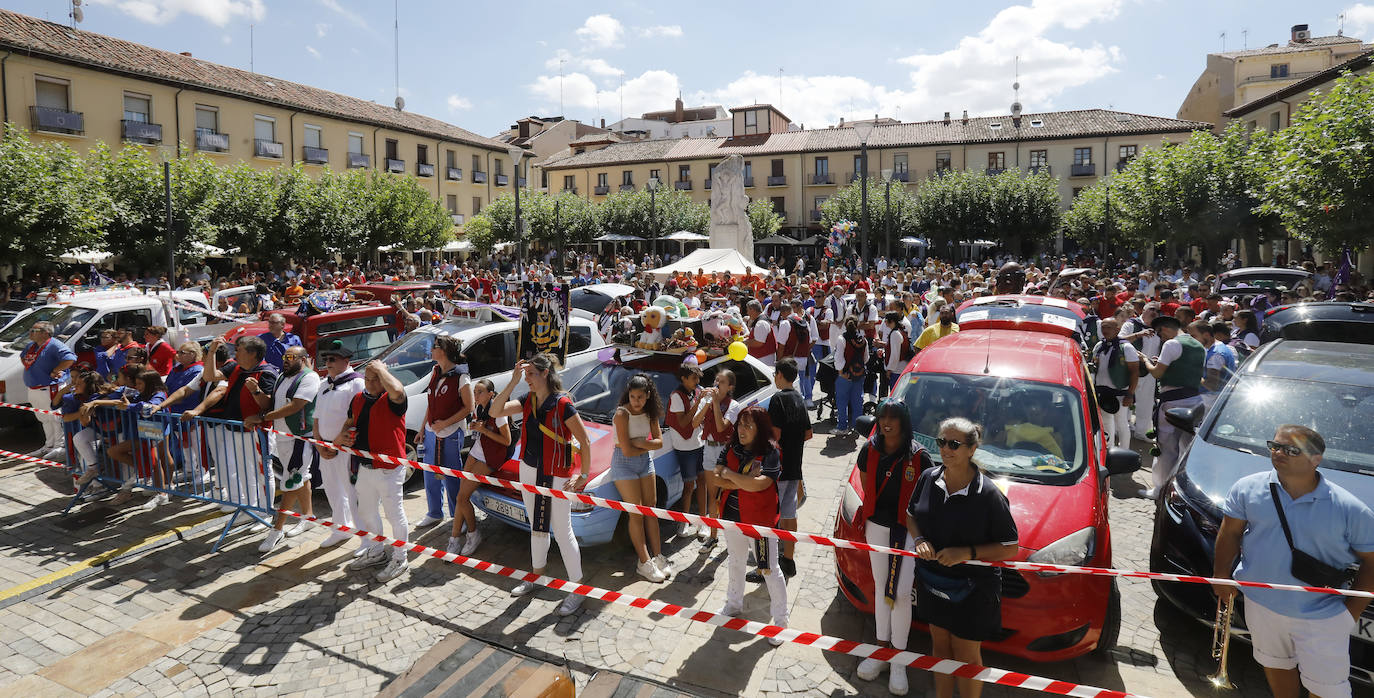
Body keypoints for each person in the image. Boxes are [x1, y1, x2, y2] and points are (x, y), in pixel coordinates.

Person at [1213, 425, 1374, 698]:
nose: (1279, 453)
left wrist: (1350, 615)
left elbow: (1372, 562)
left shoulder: (1351, 509)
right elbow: (1230, 533)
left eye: (1291, 449)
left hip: (1322, 616)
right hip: (1260, 605)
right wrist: (1220, 576)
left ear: (1315, 459)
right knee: (1275, 664)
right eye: (1274, 446)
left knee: (1329, 691)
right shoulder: (1247, 488)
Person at [906, 418, 1019, 698]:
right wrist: (919, 540)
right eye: (941, 442)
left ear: (971, 449)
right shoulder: (928, 478)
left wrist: (966, 553)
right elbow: (911, 516)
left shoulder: (989, 493)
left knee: (967, 658)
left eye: (954, 444)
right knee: (940, 649)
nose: (945, 449)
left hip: (974, 590)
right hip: (933, 583)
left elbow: (1010, 546)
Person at [490, 353, 593, 617]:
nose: (528, 380)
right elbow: (495, 411)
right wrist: (513, 382)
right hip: (529, 469)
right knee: (536, 524)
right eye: (526, 376)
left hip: (556, 473)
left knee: (562, 530)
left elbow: (584, 439)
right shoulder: (527, 399)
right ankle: (537, 575)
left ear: (545, 373)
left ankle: (578, 589)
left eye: (531, 375)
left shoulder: (563, 404)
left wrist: (583, 476)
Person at [853, 400, 934, 695]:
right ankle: (880, 651)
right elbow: (865, 483)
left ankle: (898, 660)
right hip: (877, 527)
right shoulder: (869, 448)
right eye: (882, 417)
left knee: (900, 593)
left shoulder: (920, 457)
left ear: (904, 421)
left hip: (907, 532)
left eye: (893, 418)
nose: (887, 423)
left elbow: (926, 499)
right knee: (880, 588)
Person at [708, 406, 787, 646]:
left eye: (748, 426)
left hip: (760, 522)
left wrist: (733, 476)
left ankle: (781, 621)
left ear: (759, 429)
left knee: (769, 569)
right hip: (732, 516)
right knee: (735, 561)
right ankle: (733, 604)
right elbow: (716, 477)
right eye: (740, 424)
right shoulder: (732, 447)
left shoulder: (770, 452)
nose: (742, 430)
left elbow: (760, 486)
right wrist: (742, 478)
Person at [334, 361, 411, 582]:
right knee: (367, 512)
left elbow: (397, 390)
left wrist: (381, 370)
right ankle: (377, 550)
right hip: (364, 465)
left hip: (388, 468)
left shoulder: (392, 399)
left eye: (375, 378)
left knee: (394, 514)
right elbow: (350, 421)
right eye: (367, 378)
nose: (370, 382)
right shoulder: (358, 399)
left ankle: (400, 557)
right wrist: (343, 436)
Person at [245, 346, 321, 553]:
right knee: (301, 478)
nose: (285, 360)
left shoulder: (310, 377)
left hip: (299, 438)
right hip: (283, 436)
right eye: (284, 357)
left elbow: (295, 406)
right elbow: (271, 404)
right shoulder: (281, 377)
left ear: (303, 359)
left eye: (290, 357)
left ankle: (276, 530)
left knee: (290, 481)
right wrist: (256, 391)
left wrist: (260, 418)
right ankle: (308, 516)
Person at [201, 336, 278, 512]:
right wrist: (212, 350)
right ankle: (250, 508)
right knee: (244, 472)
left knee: (262, 473)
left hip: (255, 433)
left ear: (252, 354)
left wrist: (256, 391)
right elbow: (209, 376)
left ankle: (265, 512)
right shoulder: (235, 367)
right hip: (234, 430)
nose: (235, 353)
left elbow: (268, 405)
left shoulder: (266, 373)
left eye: (239, 350)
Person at [1138, 314, 1205, 499]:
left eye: (1160, 334)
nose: (1161, 338)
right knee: (1186, 449)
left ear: (1164, 329)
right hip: (1195, 401)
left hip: (1173, 403)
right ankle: (1181, 489)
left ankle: (1159, 490)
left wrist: (1146, 362)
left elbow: (1158, 374)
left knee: (1166, 448)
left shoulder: (1171, 344)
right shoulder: (1199, 345)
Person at [611, 373, 669, 582]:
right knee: (636, 513)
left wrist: (639, 442)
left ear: (648, 396)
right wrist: (644, 444)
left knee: (650, 509)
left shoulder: (651, 412)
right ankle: (644, 563)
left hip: (645, 460)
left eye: (641, 397)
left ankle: (658, 556)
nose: (637, 401)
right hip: (624, 465)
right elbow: (625, 451)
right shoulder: (621, 414)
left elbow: (659, 442)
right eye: (633, 397)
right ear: (629, 394)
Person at [415, 336, 473, 530]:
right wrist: (423, 428)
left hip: (451, 433)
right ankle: (434, 512)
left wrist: (445, 424)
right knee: (430, 474)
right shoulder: (435, 371)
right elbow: (431, 403)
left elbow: (468, 407)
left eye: (435, 347)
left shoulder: (461, 377)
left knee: (452, 477)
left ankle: (459, 516)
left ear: (445, 351)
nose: (431, 350)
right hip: (433, 432)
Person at [448, 377, 511, 556]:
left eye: (480, 392)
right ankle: (454, 539)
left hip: (490, 457)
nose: (475, 394)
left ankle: (473, 534)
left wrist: (483, 430)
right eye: (475, 391)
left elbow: (507, 441)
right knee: (461, 496)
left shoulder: (498, 412)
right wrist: (477, 428)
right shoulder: (479, 407)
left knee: (462, 498)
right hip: (477, 451)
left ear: (491, 394)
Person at [313, 341, 364, 549]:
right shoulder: (324, 384)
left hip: (346, 449)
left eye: (332, 359)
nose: (328, 363)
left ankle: (367, 539)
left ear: (346, 360)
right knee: (333, 491)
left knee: (354, 494)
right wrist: (319, 444)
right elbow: (316, 417)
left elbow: (356, 418)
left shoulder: (356, 383)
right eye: (325, 359)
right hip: (325, 448)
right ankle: (341, 528)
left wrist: (335, 443)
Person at [764, 358, 811, 580]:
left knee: (772, 515)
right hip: (795, 464)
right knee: (789, 514)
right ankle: (788, 560)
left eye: (775, 374)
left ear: (780, 375)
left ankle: (770, 563)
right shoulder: (799, 398)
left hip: (778, 466)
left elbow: (775, 435)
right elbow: (808, 433)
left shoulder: (777, 399)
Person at [693, 367, 741, 551]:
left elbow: (721, 427)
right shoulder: (707, 400)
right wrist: (704, 402)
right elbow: (695, 423)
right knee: (712, 497)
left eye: (721, 382)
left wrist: (713, 403)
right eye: (716, 381)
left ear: (729, 386)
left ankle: (733, 535)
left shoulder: (733, 405)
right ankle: (713, 537)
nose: (716, 384)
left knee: (727, 496)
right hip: (709, 450)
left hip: (725, 452)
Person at [22, 321, 77, 460]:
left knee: (55, 417)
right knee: (43, 418)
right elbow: (23, 357)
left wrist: (56, 370)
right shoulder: (31, 346)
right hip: (34, 388)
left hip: (49, 388)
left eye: (34, 330)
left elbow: (70, 359)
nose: (30, 332)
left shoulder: (55, 345)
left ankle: (60, 446)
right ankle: (49, 445)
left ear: (45, 333)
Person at [666, 362, 706, 540]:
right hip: (685, 448)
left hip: (700, 444)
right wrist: (698, 403)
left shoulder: (697, 391)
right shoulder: (676, 396)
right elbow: (683, 423)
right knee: (689, 486)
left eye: (698, 378)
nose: (697, 382)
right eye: (693, 378)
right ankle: (684, 520)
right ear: (683, 379)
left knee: (703, 483)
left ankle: (703, 521)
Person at [1091, 318, 1139, 449]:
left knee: (1121, 423)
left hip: (1120, 393)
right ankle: (1108, 450)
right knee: (1106, 423)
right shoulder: (1099, 346)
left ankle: (1124, 452)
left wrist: (1130, 394)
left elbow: (1135, 372)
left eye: (1108, 327)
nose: (1105, 330)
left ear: (1117, 329)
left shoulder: (1127, 347)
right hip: (1103, 392)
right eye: (1103, 327)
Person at [831, 317, 868, 435]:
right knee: (857, 401)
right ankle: (857, 427)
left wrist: (841, 372)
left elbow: (838, 357)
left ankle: (842, 427)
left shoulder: (842, 339)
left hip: (845, 375)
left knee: (842, 401)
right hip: (859, 374)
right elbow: (866, 358)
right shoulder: (863, 340)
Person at [744, 299, 776, 367]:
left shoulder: (761, 323)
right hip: (763, 358)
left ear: (752, 310)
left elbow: (758, 343)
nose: (747, 313)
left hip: (763, 360)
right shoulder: (762, 319)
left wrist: (745, 342)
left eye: (748, 310)